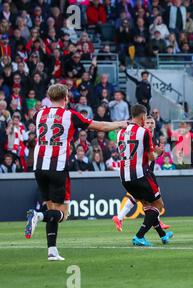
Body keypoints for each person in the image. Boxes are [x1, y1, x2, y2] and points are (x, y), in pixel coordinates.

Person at [24, 84, 128, 261]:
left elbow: (42, 121)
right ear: (66, 98)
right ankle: (37, 215)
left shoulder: (39, 114)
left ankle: (52, 251)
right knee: (63, 214)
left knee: (51, 208)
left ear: (49, 97)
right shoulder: (70, 115)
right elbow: (100, 127)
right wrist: (120, 124)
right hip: (58, 167)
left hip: (39, 167)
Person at [116, 104, 173, 247]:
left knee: (148, 206)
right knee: (158, 205)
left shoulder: (120, 132)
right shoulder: (144, 132)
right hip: (141, 175)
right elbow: (151, 157)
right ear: (142, 116)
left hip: (124, 177)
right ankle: (139, 236)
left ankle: (163, 235)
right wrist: (159, 153)